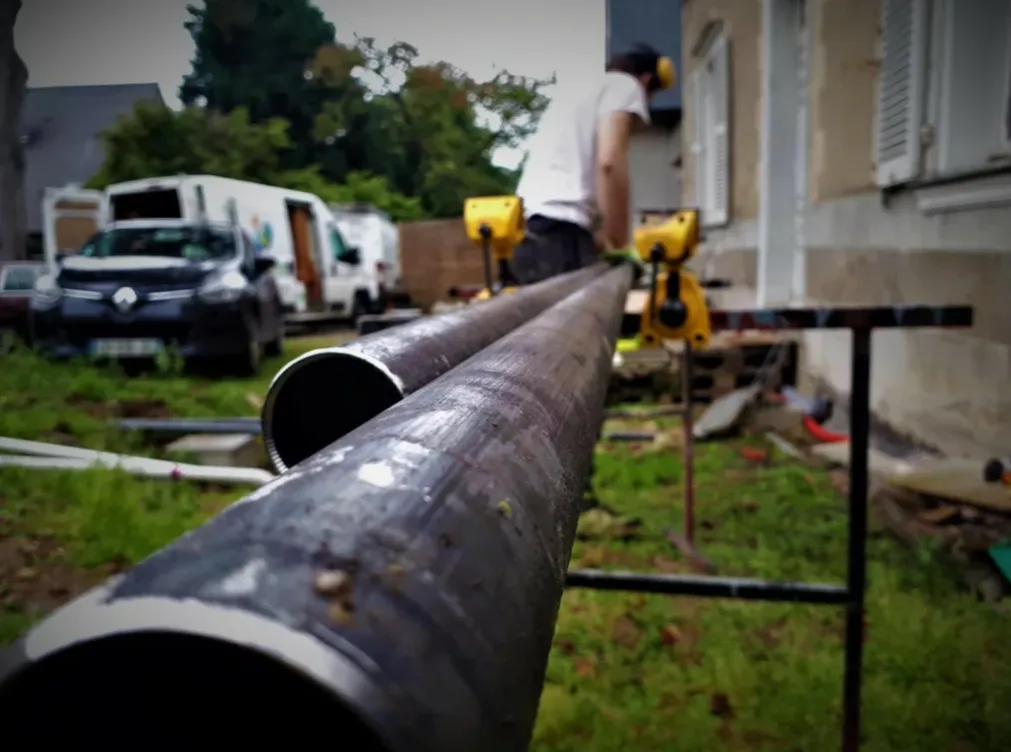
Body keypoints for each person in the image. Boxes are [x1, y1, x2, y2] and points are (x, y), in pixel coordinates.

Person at [511, 42, 676, 284]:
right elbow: (609, 162)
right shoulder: (625, 85)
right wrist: (619, 244)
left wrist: (599, 237)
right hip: (560, 233)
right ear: (646, 80)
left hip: (526, 231)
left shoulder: (581, 93)